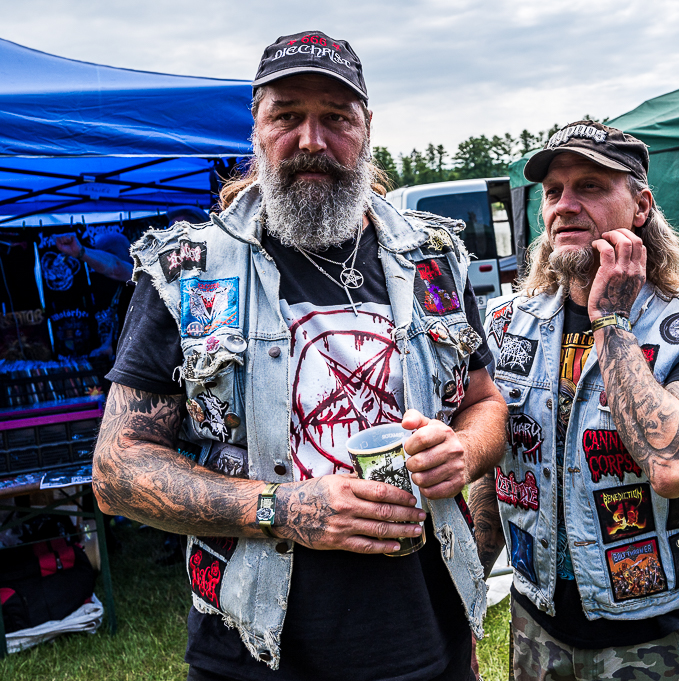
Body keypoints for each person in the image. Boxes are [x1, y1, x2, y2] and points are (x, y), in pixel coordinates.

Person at [92, 31, 506, 681]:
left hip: (430, 638)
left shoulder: (432, 258)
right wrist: (283, 509)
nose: (312, 140)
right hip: (253, 653)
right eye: (287, 115)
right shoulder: (190, 270)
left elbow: (485, 402)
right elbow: (118, 470)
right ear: (256, 128)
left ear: (367, 128)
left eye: (336, 117)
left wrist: (464, 450)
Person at [469, 120, 679, 681]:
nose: (565, 205)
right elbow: (497, 471)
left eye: (591, 187)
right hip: (536, 626)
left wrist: (611, 320)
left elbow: (672, 468)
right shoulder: (507, 323)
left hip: (652, 637)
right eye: (553, 191)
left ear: (641, 207)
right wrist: (468, 592)